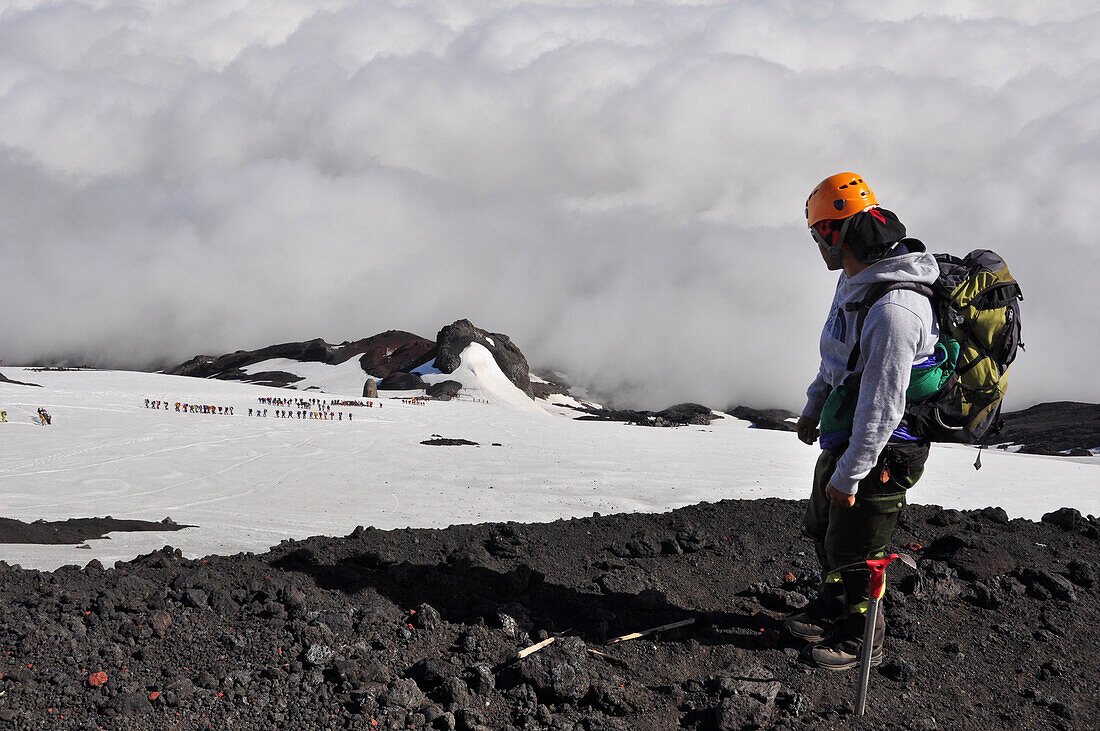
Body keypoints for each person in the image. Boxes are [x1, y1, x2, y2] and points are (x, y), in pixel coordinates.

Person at [784, 173, 939, 671]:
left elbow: (883, 404)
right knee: (824, 524)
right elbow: (837, 356)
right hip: (850, 431)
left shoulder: (896, 311)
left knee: (860, 546)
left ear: (835, 233)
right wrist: (814, 406)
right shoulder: (854, 282)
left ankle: (861, 638)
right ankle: (832, 607)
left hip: (885, 446)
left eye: (816, 235)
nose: (815, 246)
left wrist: (851, 473)